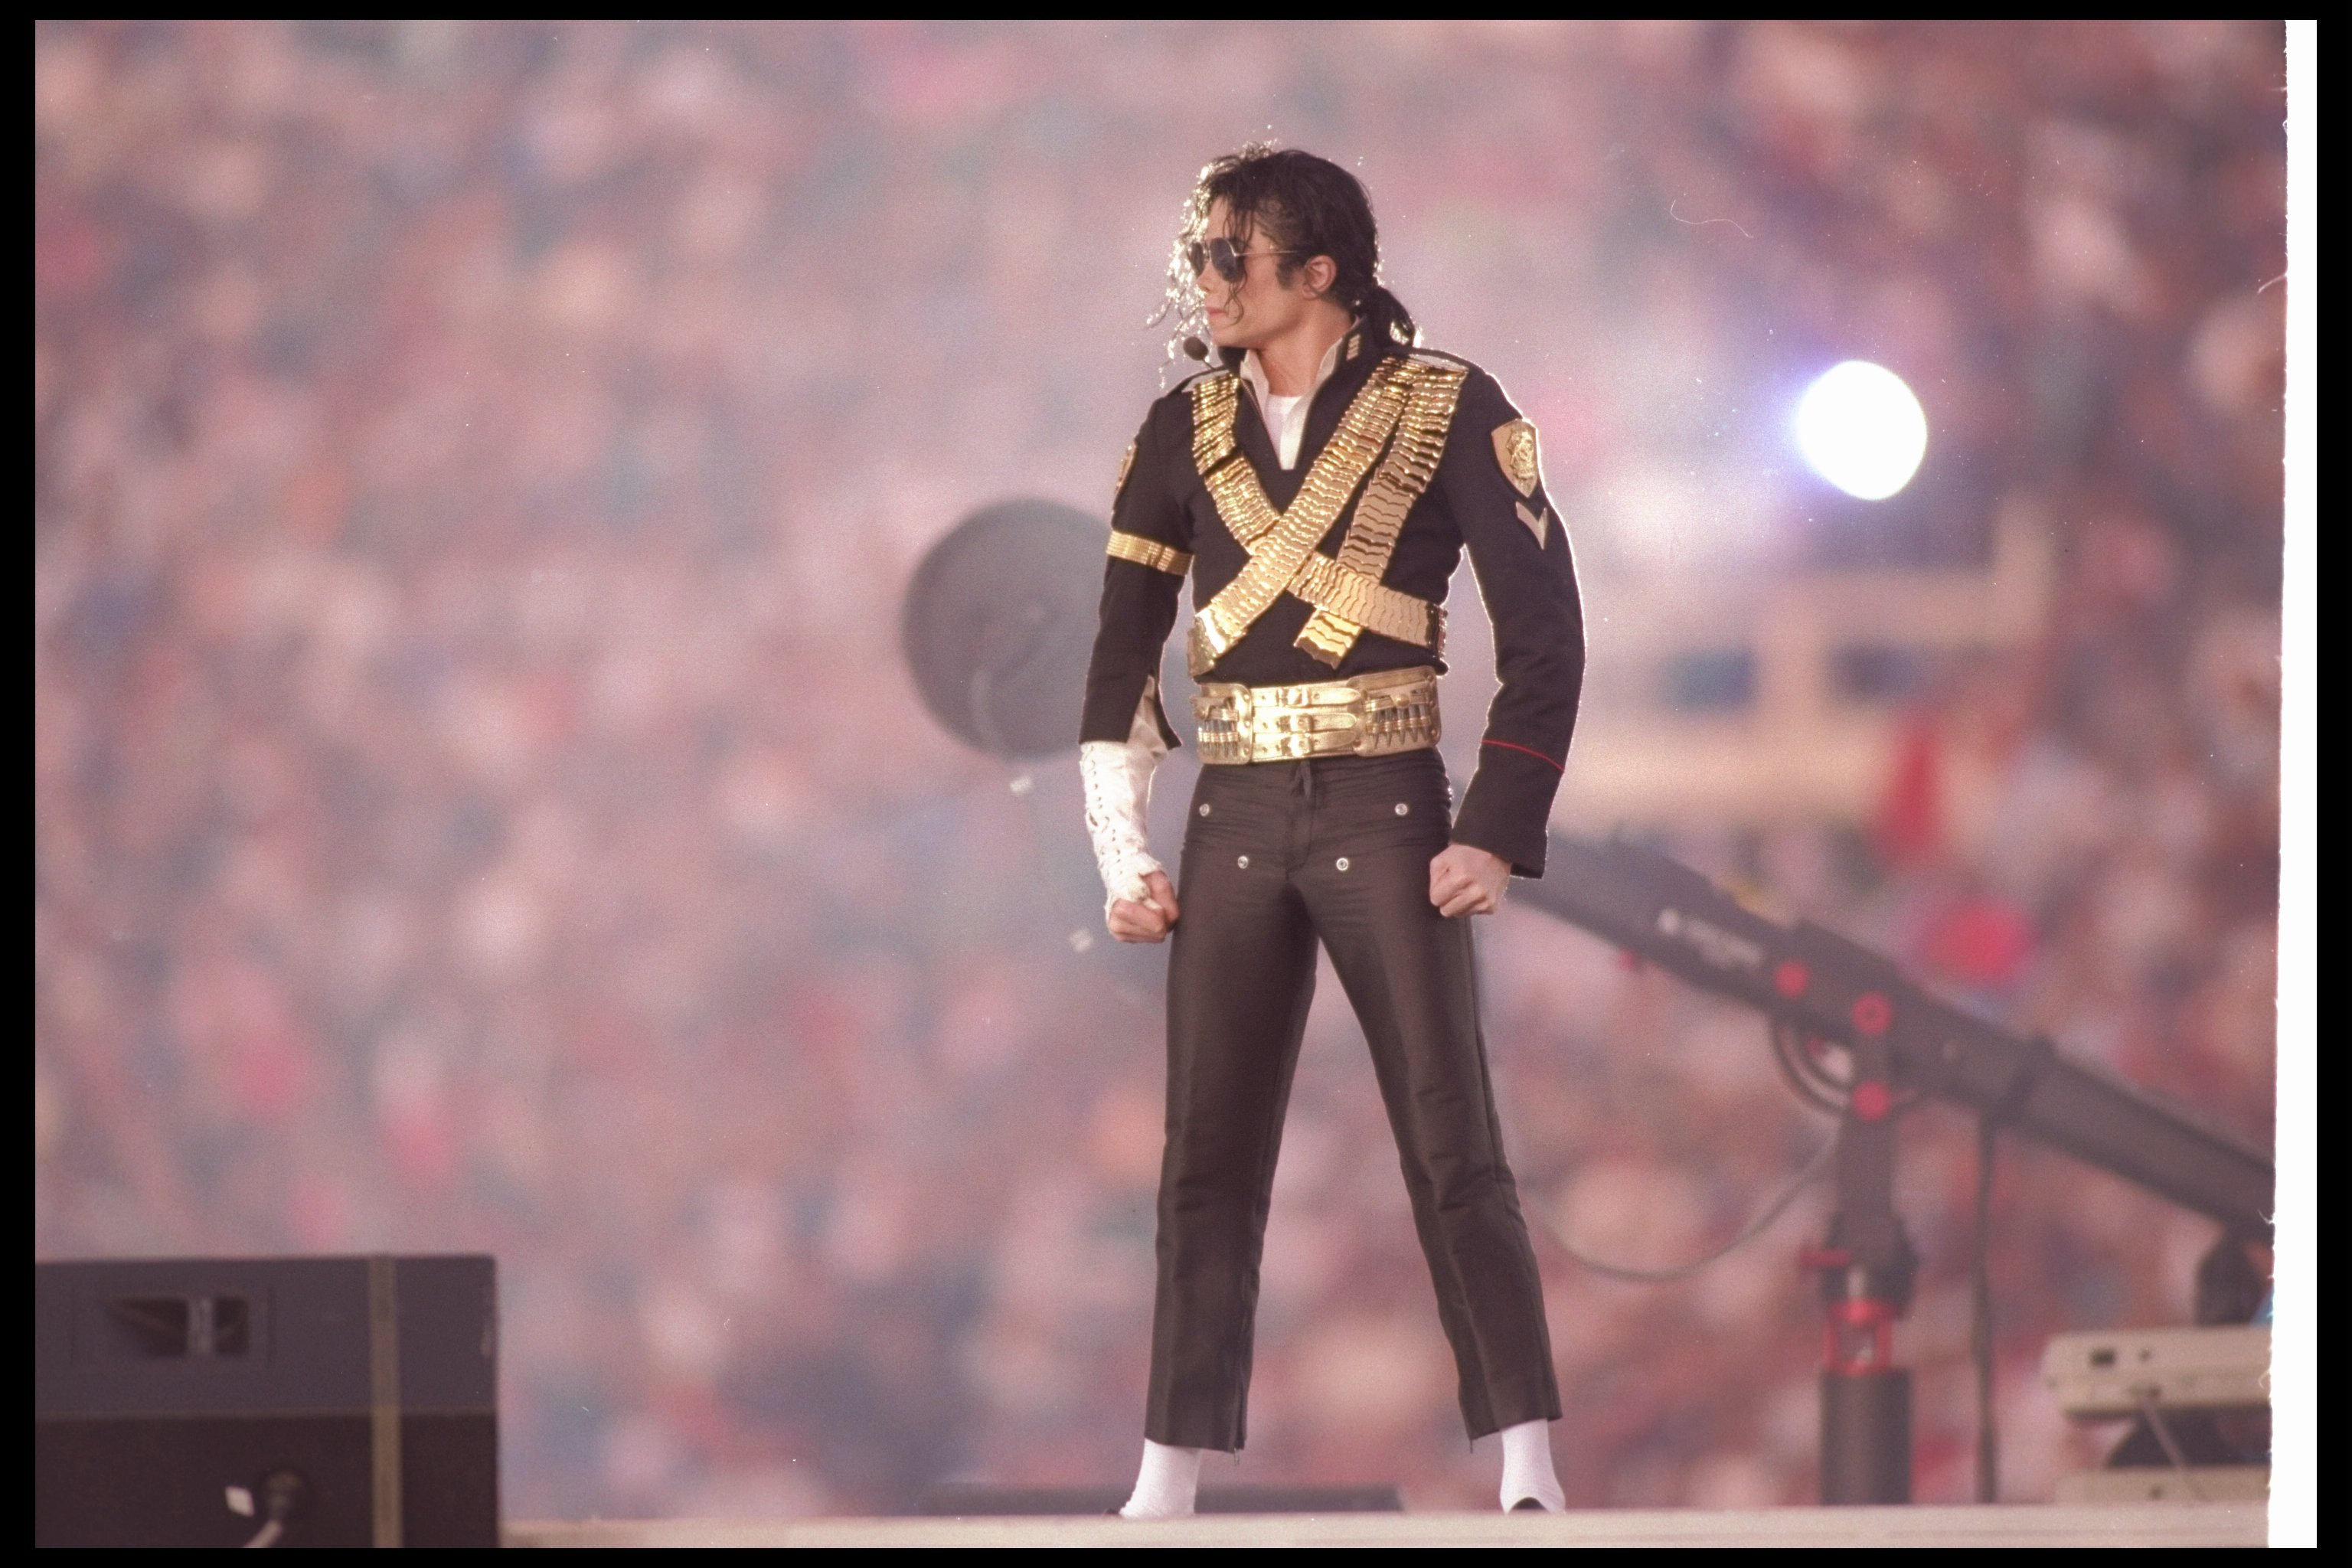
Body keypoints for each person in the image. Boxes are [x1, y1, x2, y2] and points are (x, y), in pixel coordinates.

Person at [1077, 145, 1587, 1517]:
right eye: (1200, 254)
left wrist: (1494, 828)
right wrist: (1123, 851)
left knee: (1450, 1138)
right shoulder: (1178, 429)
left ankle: (1526, 1460)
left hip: (1389, 801)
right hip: (1234, 807)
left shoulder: (1452, 404)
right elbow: (1120, 662)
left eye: (1227, 255)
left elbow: (1544, 634)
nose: (1204, 280)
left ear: (1319, 269)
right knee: (1205, 1155)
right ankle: (1166, 1474)